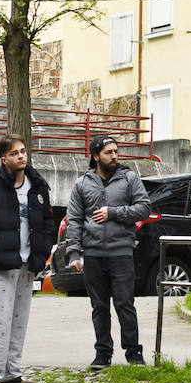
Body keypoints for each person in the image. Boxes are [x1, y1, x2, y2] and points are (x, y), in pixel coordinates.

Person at [0, 134, 52, 383]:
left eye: (23, 151)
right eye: (15, 153)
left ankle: (12, 372)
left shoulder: (37, 186)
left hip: (29, 263)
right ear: (3, 159)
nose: (21, 156)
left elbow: (48, 223)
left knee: (20, 318)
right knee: (0, 318)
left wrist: (42, 250)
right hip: (4, 263)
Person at [64, 135, 151, 370]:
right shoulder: (82, 184)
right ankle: (103, 353)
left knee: (125, 304)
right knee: (99, 307)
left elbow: (144, 208)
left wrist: (113, 212)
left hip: (121, 252)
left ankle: (133, 352)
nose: (114, 156)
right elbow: (74, 220)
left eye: (116, 151)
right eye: (108, 152)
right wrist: (74, 254)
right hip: (93, 255)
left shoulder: (130, 178)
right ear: (95, 156)